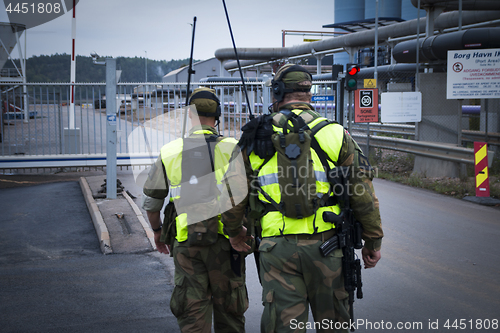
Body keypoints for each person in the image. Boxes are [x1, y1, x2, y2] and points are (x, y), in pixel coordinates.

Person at [221, 64, 384, 332]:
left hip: (277, 249)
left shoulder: (256, 135)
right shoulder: (335, 133)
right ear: (309, 93)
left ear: (277, 92)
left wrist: (234, 232)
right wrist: (373, 240)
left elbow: (232, 192)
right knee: (334, 325)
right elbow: (363, 194)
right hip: (329, 247)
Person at [142, 87, 249, 333]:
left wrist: (157, 231)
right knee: (230, 311)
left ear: (189, 116)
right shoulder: (235, 148)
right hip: (228, 242)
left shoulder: (170, 151)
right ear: (218, 115)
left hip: (186, 242)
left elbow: (152, 203)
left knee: (192, 311)